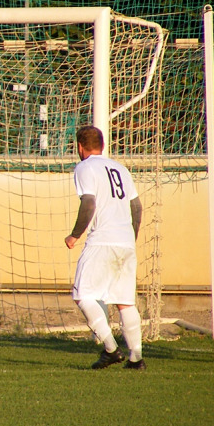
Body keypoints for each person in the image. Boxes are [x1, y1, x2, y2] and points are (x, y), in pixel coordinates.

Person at [65, 125, 145, 370]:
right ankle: (136, 359)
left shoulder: (85, 167)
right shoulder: (120, 169)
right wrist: (130, 237)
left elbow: (88, 203)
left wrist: (74, 235)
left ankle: (111, 350)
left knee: (82, 294)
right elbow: (137, 207)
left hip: (102, 241)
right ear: (102, 145)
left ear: (80, 147)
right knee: (124, 301)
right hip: (125, 241)